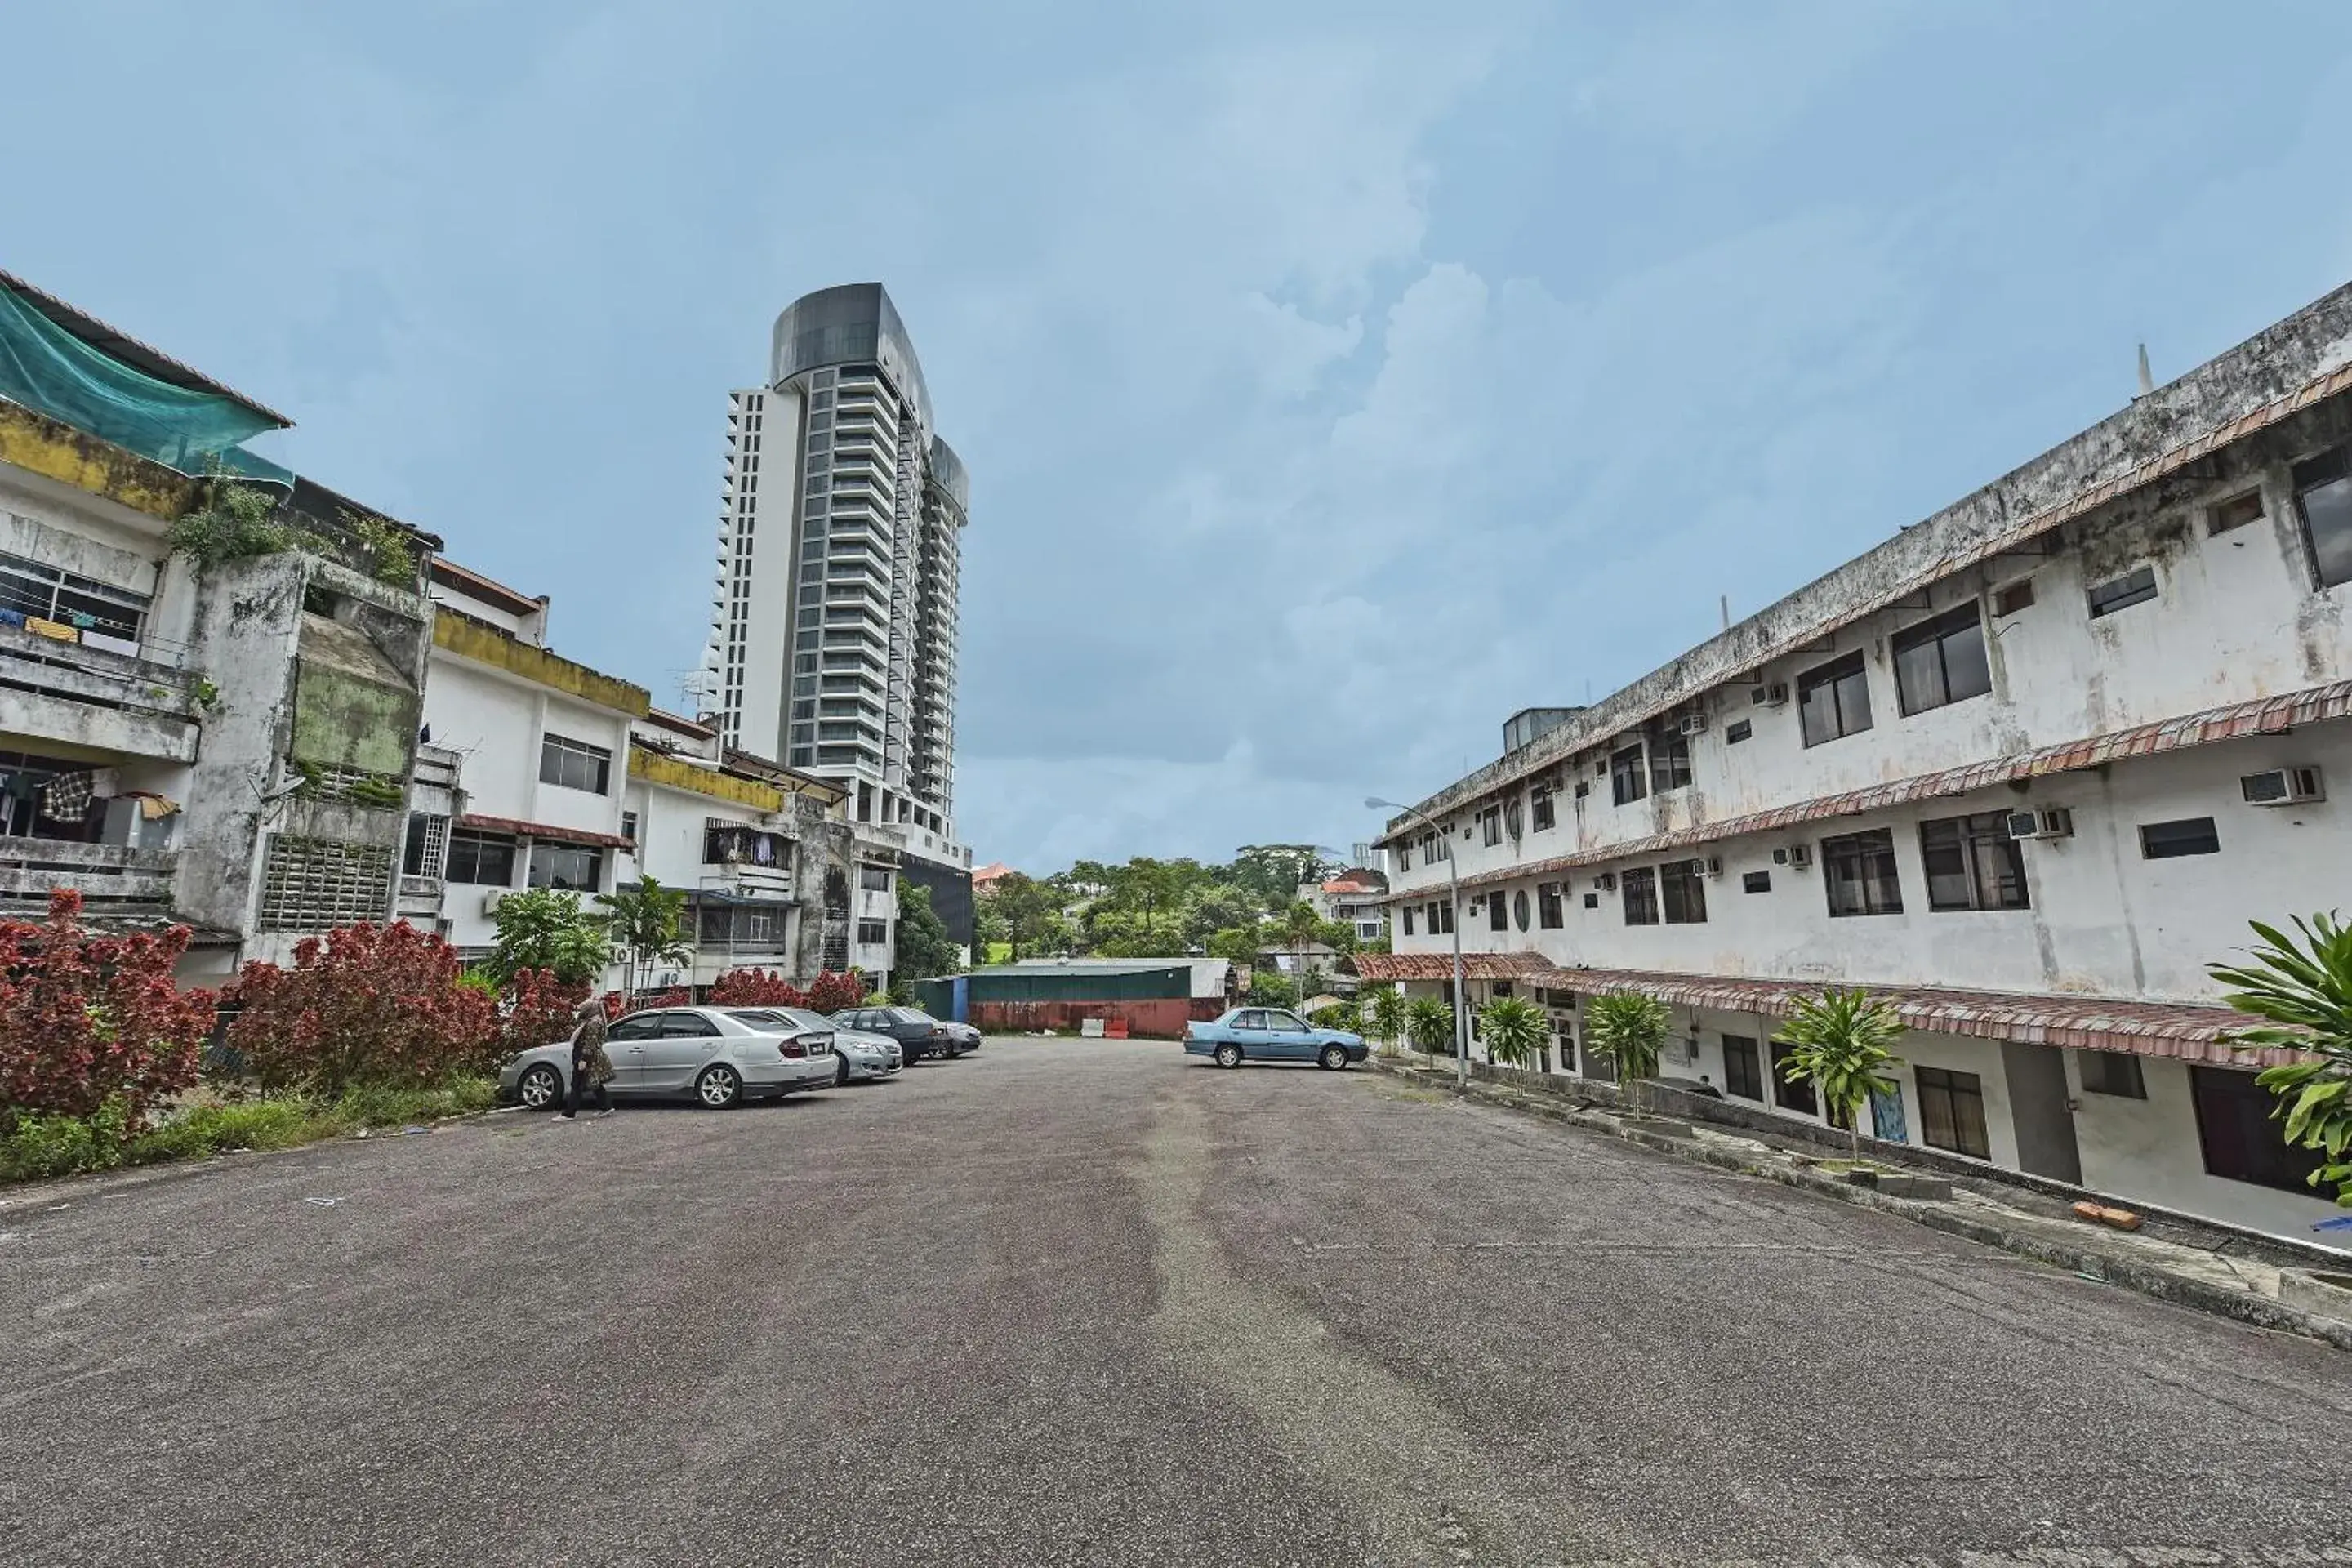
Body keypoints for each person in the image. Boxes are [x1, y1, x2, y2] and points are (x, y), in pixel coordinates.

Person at [564, 996, 614, 1119]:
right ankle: (606, 1107)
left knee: (577, 1084)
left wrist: (584, 1060)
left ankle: (569, 1113)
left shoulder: (593, 1024)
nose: (580, 1012)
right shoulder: (593, 1021)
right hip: (589, 1056)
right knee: (595, 1083)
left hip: (585, 1056)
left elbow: (590, 1043)